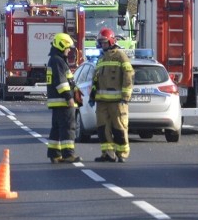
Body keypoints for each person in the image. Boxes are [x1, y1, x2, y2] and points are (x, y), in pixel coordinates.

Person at [89, 27, 134, 162]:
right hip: (101, 102)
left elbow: (129, 75)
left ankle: (122, 154)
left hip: (117, 102)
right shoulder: (101, 59)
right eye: (100, 43)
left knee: (119, 128)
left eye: (104, 42)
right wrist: (93, 95)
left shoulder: (120, 56)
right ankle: (108, 153)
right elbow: (96, 79)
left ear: (111, 41)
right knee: (103, 128)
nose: (102, 45)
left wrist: (125, 97)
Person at [45, 33, 81, 164]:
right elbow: (61, 83)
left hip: (57, 102)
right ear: (61, 46)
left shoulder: (55, 60)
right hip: (63, 102)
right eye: (67, 47)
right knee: (68, 128)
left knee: (56, 128)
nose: (69, 50)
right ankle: (68, 154)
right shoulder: (58, 61)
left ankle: (54, 154)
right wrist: (69, 97)